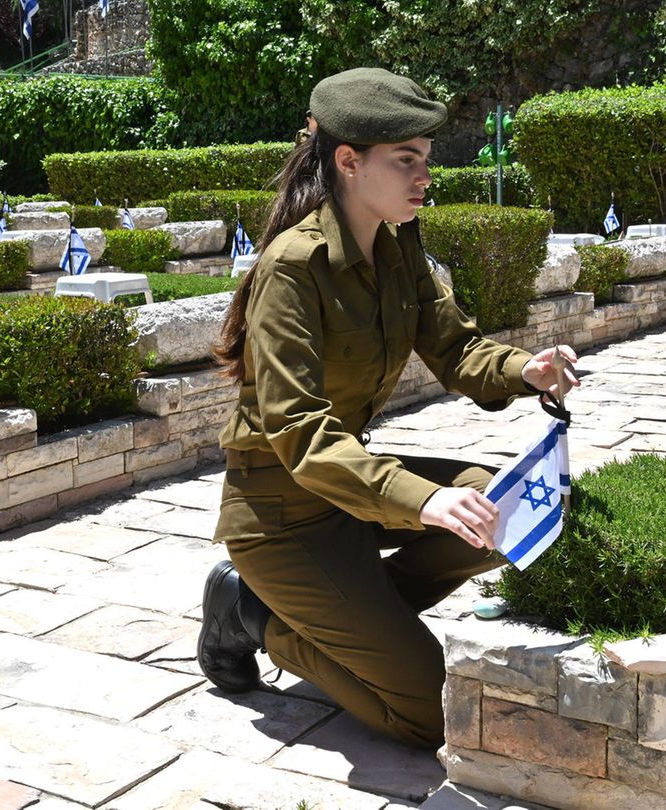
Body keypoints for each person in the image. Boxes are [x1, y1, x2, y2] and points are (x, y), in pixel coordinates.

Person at [197, 67, 579, 749]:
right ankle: (254, 614)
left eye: (425, 160)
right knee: (429, 711)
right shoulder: (294, 266)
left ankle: (354, 611)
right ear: (348, 161)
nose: (423, 176)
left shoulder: (400, 245)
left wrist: (528, 369)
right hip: (281, 516)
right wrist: (423, 503)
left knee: (507, 506)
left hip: (347, 492)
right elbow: (301, 433)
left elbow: (457, 349)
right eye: (406, 160)